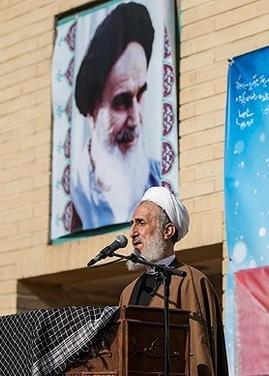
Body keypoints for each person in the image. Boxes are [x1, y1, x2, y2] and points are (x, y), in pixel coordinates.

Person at [119, 186, 229, 376]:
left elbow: (199, 350)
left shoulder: (190, 280)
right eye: (132, 223)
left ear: (168, 231)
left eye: (141, 223)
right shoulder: (128, 292)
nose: (132, 232)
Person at [71, 2, 161, 231]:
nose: (135, 119)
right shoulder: (73, 194)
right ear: (92, 112)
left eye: (140, 95)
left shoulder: (160, 181)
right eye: (121, 102)